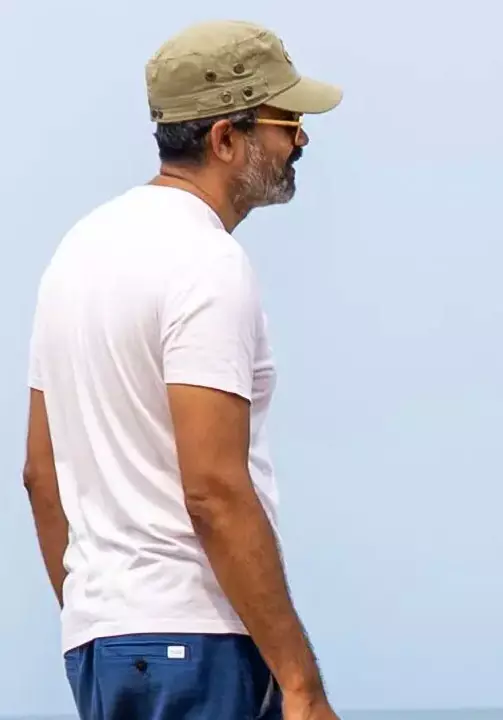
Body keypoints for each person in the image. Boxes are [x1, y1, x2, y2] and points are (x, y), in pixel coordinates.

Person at [22, 19, 343, 720]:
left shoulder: (75, 255)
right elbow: (214, 490)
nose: (301, 141)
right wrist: (301, 684)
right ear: (226, 138)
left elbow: (41, 475)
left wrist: (99, 614)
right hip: (198, 642)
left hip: (104, 648)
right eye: (286, 122)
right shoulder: (206, 263)